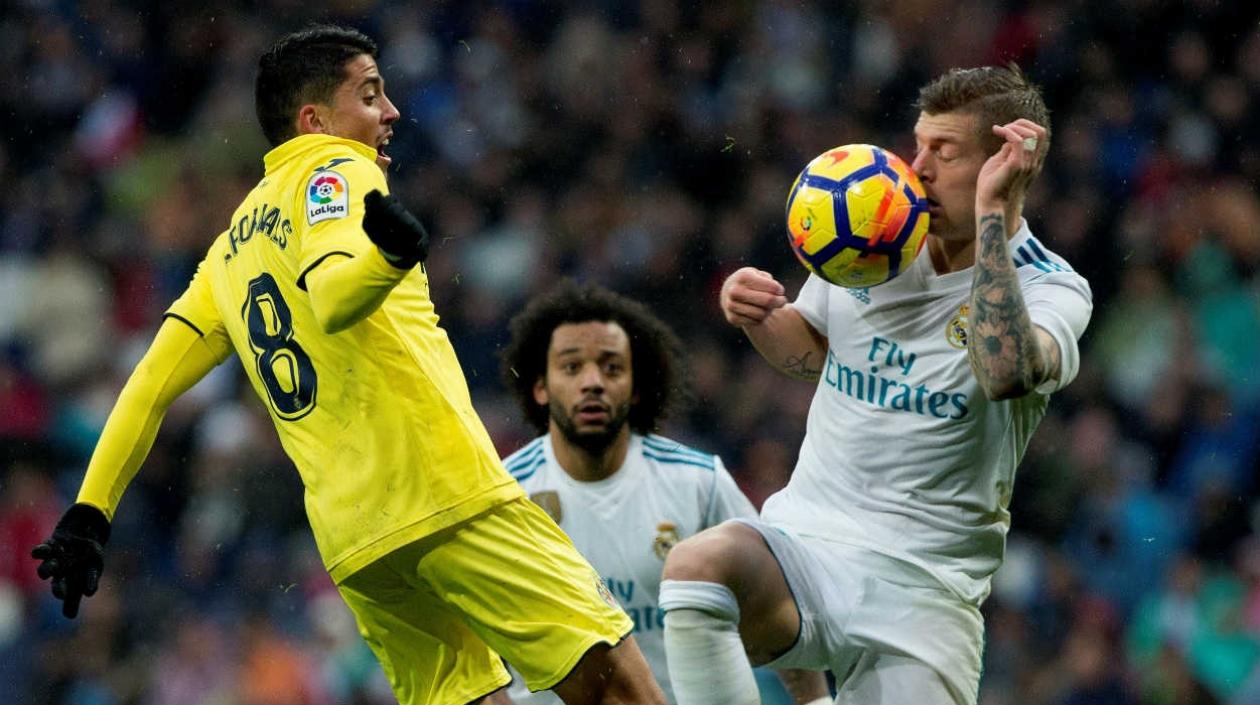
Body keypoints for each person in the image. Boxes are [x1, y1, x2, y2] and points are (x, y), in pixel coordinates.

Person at [30, 25, 665, 705]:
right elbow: (333, 295)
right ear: (315, 121)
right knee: (617, 689)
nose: (390, 111)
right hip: (442, 493)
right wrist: (387, 258)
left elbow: (148, 386)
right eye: (369, 95)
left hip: (357, 545)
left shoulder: (227, 254)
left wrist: (91, 509)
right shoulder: (337, 168)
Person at [658, 64, 1093, 705]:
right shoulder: (876, 233)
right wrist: (759, 317)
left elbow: (1004, 373)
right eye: (919, 145)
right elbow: (813, 353)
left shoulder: (1052, 286)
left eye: (945, 152)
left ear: (1005, 163)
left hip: (926, 590)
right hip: (808, 543)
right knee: (698, 566)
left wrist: (992, 214)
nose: (918, 168)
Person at [495, 282, 830, 705]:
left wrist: (817, 702)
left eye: (612, 368)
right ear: (540, 387)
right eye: (572, 367)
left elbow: (771, 605)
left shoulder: (698, 483)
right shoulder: (505, 497)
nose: (593, 382)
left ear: (636, 387)